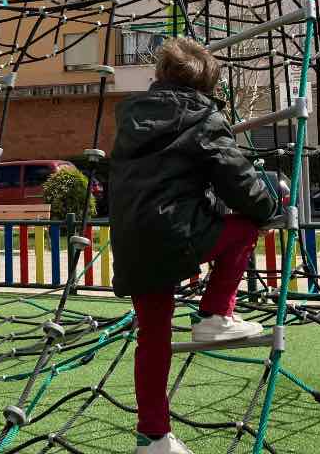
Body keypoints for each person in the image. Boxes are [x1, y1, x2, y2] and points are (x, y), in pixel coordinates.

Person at [110, 37, 278, 454]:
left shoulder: (131, 119)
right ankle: (215, 312)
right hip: (174, 234)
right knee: (243, 229)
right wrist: (271, 202)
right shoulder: (202, 116)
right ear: (206, 85)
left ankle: (153, 436)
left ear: (159, 76)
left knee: (153, 337)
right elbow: (238, 182)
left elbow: (165, 181)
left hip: (133, 241)